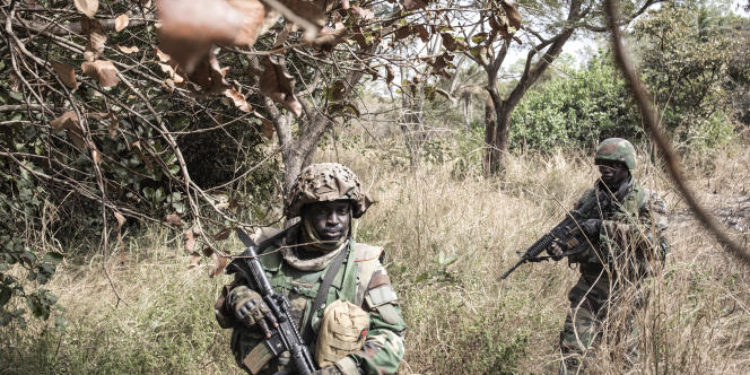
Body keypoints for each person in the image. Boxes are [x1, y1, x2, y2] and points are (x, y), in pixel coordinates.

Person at [214, 163, 406, 375]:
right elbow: (224, 315)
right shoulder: (267, 255)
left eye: (342, 211)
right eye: (322, 212)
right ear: (304, 214)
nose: (334, 221)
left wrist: (342, 371)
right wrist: (240, 297)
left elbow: (391, 339)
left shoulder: (365, 266)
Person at [547, 138, 668, 374]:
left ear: (626, 166)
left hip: (626, 287)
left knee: (622, 356)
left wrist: (603, 227)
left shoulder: (648, 199)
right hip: (590, 285)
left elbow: (653, 242)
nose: (606, 169)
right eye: (601, 163)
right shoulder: (589, 198)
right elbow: (579, 235)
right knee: (572, 349)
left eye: (613, 164)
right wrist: (564, 248)